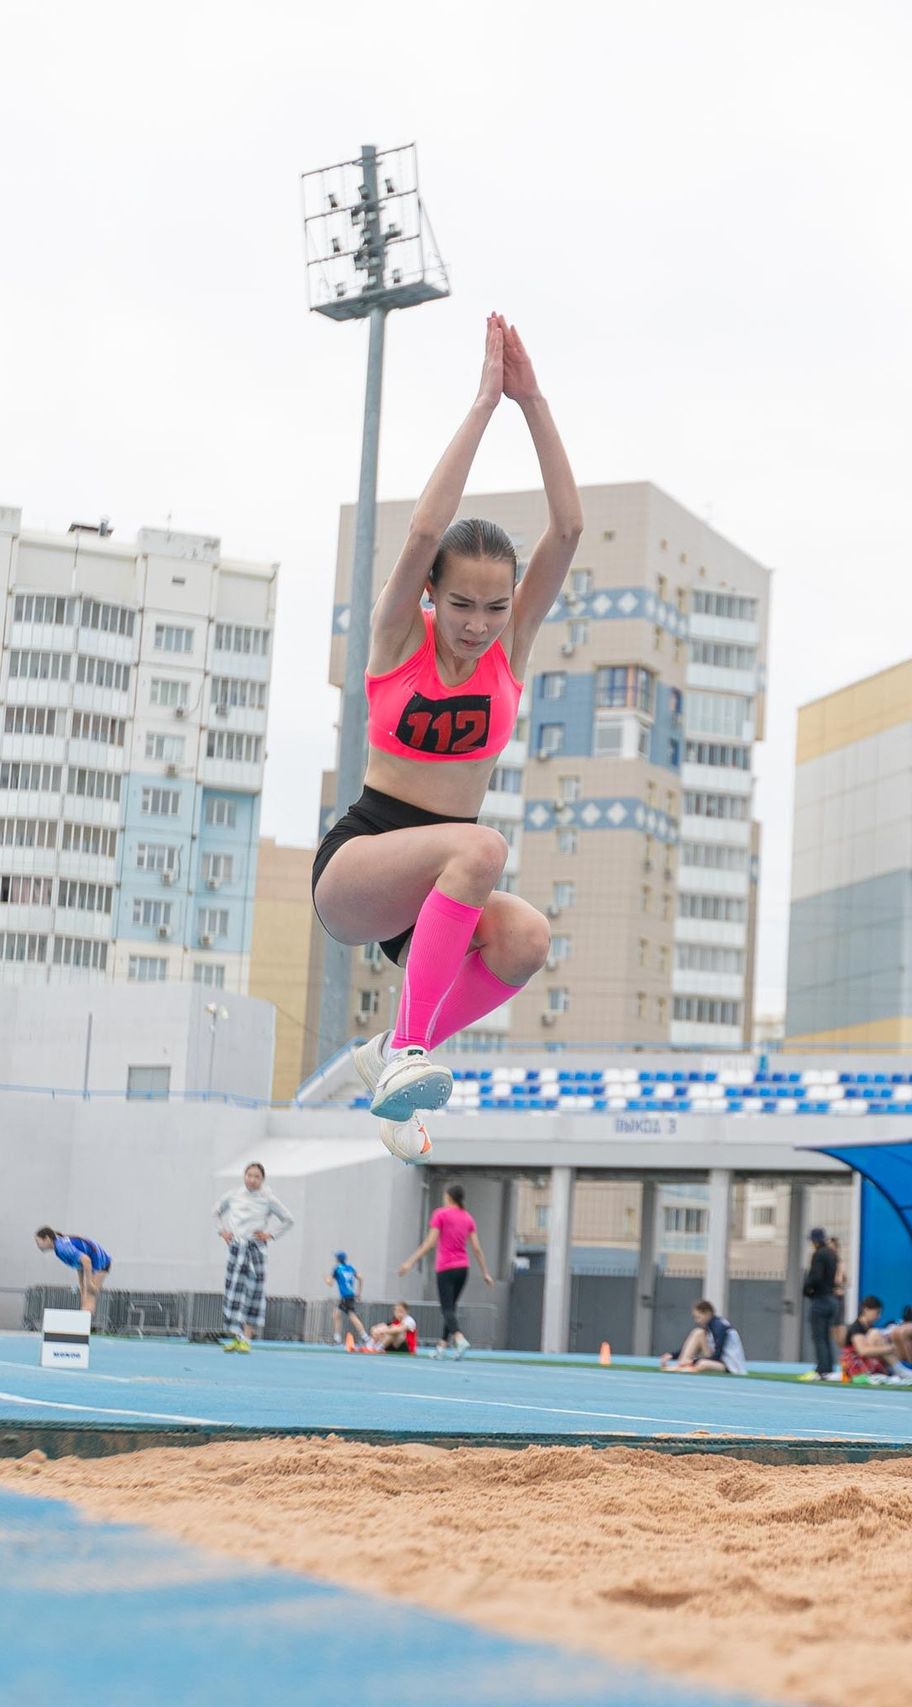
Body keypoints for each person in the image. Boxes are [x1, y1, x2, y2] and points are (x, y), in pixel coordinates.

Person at [313, 314, 580, 1161]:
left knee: (527, 937)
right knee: (481, 847)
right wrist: (484, 404)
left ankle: (392, 1051)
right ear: (432, 596)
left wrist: (535, 402)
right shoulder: (398, 638)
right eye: (460, 604)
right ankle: (407, 1052)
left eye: (494, 608)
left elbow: (567, 531)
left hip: (437, 896)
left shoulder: (510, 649)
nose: (476, 624)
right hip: (364, 862)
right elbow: (427, 531)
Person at [398, 1182, 491, 1358]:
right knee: (451, 1309)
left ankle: (459, 1337)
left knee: (447, 1308)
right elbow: (477, 1248)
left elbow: (430, 1243)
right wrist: (485, 1272)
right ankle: (441, 1347)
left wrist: (410, 1262)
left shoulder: (440, 1214)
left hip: (446, 1268)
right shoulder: (468, 1218)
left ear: (448, 1197)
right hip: (463, 1268)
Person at [213, 1162, 296, 1353]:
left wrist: (271, 1235)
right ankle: (235, 1335)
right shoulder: (234, 1195)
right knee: (234, 1291)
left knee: (253, 1291)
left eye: (256, 1176)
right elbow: (215, 1212)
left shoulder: (267, 1199)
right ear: (244, 1176)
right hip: (237, 1247)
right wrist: (223, 1232)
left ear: (262, 1179)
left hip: (255, 1249)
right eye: (249, 1175)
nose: (252, 1179)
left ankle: (247, 1338)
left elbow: (288, 1219)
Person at [34, 1228, 111, 1322]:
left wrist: (89, 1283)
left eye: (38, 1241)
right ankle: (83, 1326)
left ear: (47, 1238)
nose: (37, 1245)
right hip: (95, 1260)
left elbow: (86, 1261)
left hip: (100, 1262)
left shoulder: (62, 1247)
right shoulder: (59, 1246)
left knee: (89, 1297)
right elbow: (79, 1265)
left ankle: (82, 1328)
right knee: (85, 1297)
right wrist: (82, 1286)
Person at [800, 1225, 842, 1382]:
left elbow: (816, 1277)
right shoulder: (832, 1254)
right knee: (826, 1336)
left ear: (815, 1241)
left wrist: (806, 1288)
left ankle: (822, 1369)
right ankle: (829, 1367)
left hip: (821, 1300)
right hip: (831, 1299)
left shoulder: (818, 1255)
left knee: (818, 1336)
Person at [663, 1298, 747, 1373]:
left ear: (707, 1313)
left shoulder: (719, 1327)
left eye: (699, 1317)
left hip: (729, 1366)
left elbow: (717, 1355)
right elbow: (689, 1346)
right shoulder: (710, 1327)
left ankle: (688, 1366)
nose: (697, 1321)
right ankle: (682, 1363)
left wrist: (694, 1361)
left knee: (703, 1364)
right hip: (717, 1360)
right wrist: (672, 1355)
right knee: (698, 1333)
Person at [330, 1251, 370, 1349]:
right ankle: (338, 1337)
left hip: (345, 1296)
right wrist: (359, 1292)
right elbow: (361, 1278)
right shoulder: (350, 1267)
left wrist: (325, 1278)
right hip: (350, 1295)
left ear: (338, 1259)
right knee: (337, 1314)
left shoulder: (337, 1269)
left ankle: (364, 1337)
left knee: (351, 1316)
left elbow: (330, 1283)